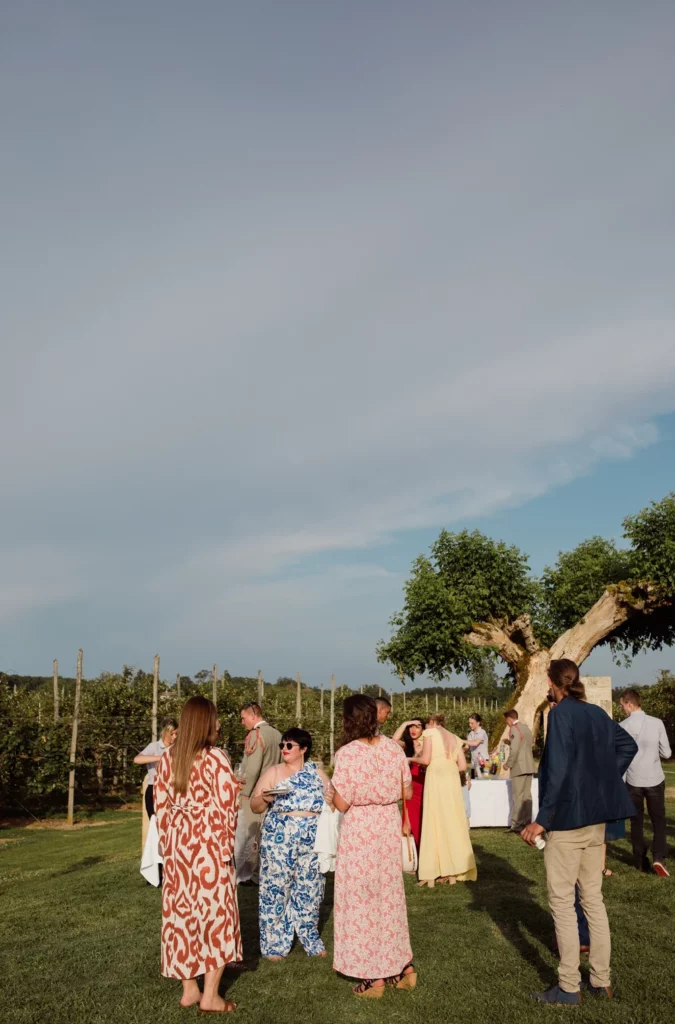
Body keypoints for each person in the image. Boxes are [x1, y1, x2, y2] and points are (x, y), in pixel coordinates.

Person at [522, 659, 638, 1006]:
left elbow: (556, 771)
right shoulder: (597, 714)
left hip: (568, 821)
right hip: (596, 821)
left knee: (562, 902)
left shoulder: (560, 714)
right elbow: (627, 746)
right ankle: (601, 981)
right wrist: (601, 780)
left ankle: (569, 986)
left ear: (550, 681)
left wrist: (541, 819)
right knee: (593, 900)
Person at [154, 697, 242, 1013]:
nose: (218, 725)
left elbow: (160, 806)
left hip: (177, 847)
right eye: (215, 719)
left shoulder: (168, 758)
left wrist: (168, 845)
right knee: (217, 916)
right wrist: (224, 849)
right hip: (208, 846)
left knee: (182, 916)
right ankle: (211, 997)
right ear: (205, 722)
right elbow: (226, 808)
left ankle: (189, 990)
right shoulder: (215, 757)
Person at [332, 695, 415, 999]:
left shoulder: (348, 754)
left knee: (360, 901)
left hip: (360, 829)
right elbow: (406, 790)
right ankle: (403, 968)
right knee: (389, 897)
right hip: (387, 824)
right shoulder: (394, 749)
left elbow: (342, 802)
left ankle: (373, 978)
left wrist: (333, 794)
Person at [250, 728, 333, 960]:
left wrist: (330, 799)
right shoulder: (274, 772)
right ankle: (274, 943)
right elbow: (255, 806)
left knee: (310, 888)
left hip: (312, 838)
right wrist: (266, 797)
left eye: (289, 746)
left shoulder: (317, 774)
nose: (284, 750)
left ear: (303, 749)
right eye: (282, 746)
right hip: (280, 837)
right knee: (276, 888)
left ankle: (310, 936)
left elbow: (332, 801)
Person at [414, 713, 477, 887]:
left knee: (433, 819)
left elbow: (425, 759)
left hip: (436, 776)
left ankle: (431, 871)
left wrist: (409, 759)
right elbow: (463, 766)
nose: (425, 728)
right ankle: (453, 870)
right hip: (451, 778)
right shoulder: (456, 738)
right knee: (452, 820)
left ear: (432, 723)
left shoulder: (430, 733)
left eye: (427, 725)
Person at [619, 688, 672, 877]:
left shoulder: (623, 726)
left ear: (629, 704)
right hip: (654, 778)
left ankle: (640, 860)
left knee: (636, 822)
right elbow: (666, 753)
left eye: (623, 705)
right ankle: (659, 856)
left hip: (633, 780)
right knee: (658, 820)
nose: (623, 709)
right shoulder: (656, 723)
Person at [235, 701, 282, 885]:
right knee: (266, 834)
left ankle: (253, 876)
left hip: (256, 793)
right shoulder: (277, 733)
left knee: (252, 835)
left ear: (253, 715)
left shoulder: (255, 735)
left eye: (243, 717)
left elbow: (253, 769)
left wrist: (244, 793)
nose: (242, 722)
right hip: (274, 791)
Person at [134, 717, 178, 820]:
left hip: (173, 791)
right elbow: (137, 759)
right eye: (172, 734)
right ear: (165, 732)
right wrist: (162, 758)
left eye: (177, 734)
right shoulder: (154, 747)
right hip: (154, 790)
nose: (175, 737)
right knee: (156, 827)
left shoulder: (177, 748)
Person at [392, 718, 426, 849]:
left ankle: (423, 850)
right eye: (411, 726)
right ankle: (412, 851)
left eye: (417, 726)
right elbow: (393, 742)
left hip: (424, 785)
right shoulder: (406, 744)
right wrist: (403, 724)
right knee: (409, 820)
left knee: (423, 819)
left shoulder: (427, 744)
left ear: (423, 729)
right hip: (411, 788)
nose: (413, 729)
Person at [502, 709, 534, 834]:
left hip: (519, 767)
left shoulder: (514, 729)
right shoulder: (526, 728)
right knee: (527, 795)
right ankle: (527, 821)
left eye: (506, 721)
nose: (507, 723)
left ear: (509, 719)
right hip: (529, 765)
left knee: (518, 796)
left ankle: (516, 824)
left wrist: (508, 764)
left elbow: (514, 750)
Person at [466, 713, 489, 778]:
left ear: (478, 723)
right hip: (474, 764)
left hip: (483, 763)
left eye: (472, 723)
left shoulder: (482, 732)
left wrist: (462, 740)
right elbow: (467, 746)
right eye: (469, 723)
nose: (470, 725)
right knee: (474, 783)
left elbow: (475, 743)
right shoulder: (470, 734)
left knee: (484, 783)